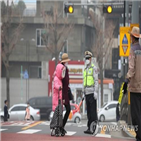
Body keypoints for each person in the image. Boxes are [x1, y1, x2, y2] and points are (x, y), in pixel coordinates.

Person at [123, 26, 141, 141]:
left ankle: (139, 135)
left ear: (133, 37)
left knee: (135, 113)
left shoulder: (132, 49)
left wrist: (126, 80)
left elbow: (132, 69)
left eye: (130, 36)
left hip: (134, 87)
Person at [83, 51, 99, 135]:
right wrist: (83, 91)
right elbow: (84, 81)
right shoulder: (85, 69)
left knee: (93, 112)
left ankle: (94, 128)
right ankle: (89, 127)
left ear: (91, 59)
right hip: (86, 92)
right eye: (86, 58)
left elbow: (96, 81)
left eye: (88, 58)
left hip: (92, 92)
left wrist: (96, 92)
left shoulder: (94, 68)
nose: (87, 60)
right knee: (88, 111)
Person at [52, 62, 66, 135]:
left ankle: (58, 127)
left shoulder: (59, 79)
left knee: (59, 114)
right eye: (62, 71)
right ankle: (56, 127)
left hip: (59, 100)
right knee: (57, 114)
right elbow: (55, 85)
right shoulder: (56, 78)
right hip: (56, 99)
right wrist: (59, 87)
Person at [61, 53, 71, 134]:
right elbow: (63, 82)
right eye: (66, 61)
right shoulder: (63, 69)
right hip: (63, 93)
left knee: (67, 110)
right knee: (67, 109)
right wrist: (64, 97)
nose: (67, 62)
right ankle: (61, 127)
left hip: (65, 93)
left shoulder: (65, 69)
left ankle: (61, 127)